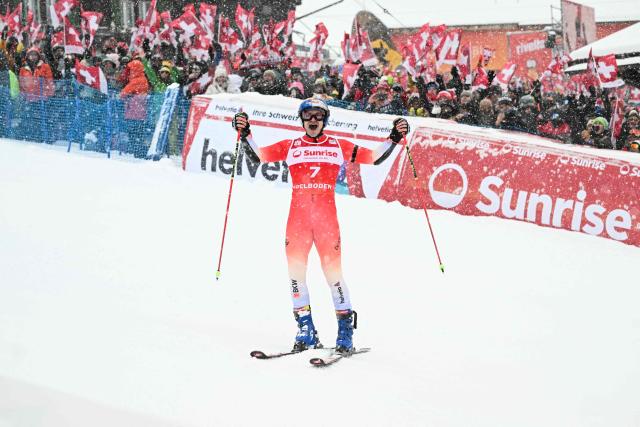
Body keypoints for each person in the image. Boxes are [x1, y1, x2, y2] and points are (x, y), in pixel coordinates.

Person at [232, 98, 409, 354]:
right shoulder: (291, 145)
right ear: (302, 119)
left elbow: (373, 158)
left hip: (326, 222)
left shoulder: (337, 145)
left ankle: (345, 333)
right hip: (298, 222)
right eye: (308, 116)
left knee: (334, 277)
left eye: (318, 116)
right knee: (296, 278)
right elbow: (258, 156)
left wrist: (394, 136)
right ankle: (305, 330)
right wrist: (245, 132)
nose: (313, 120)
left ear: (325, 120)